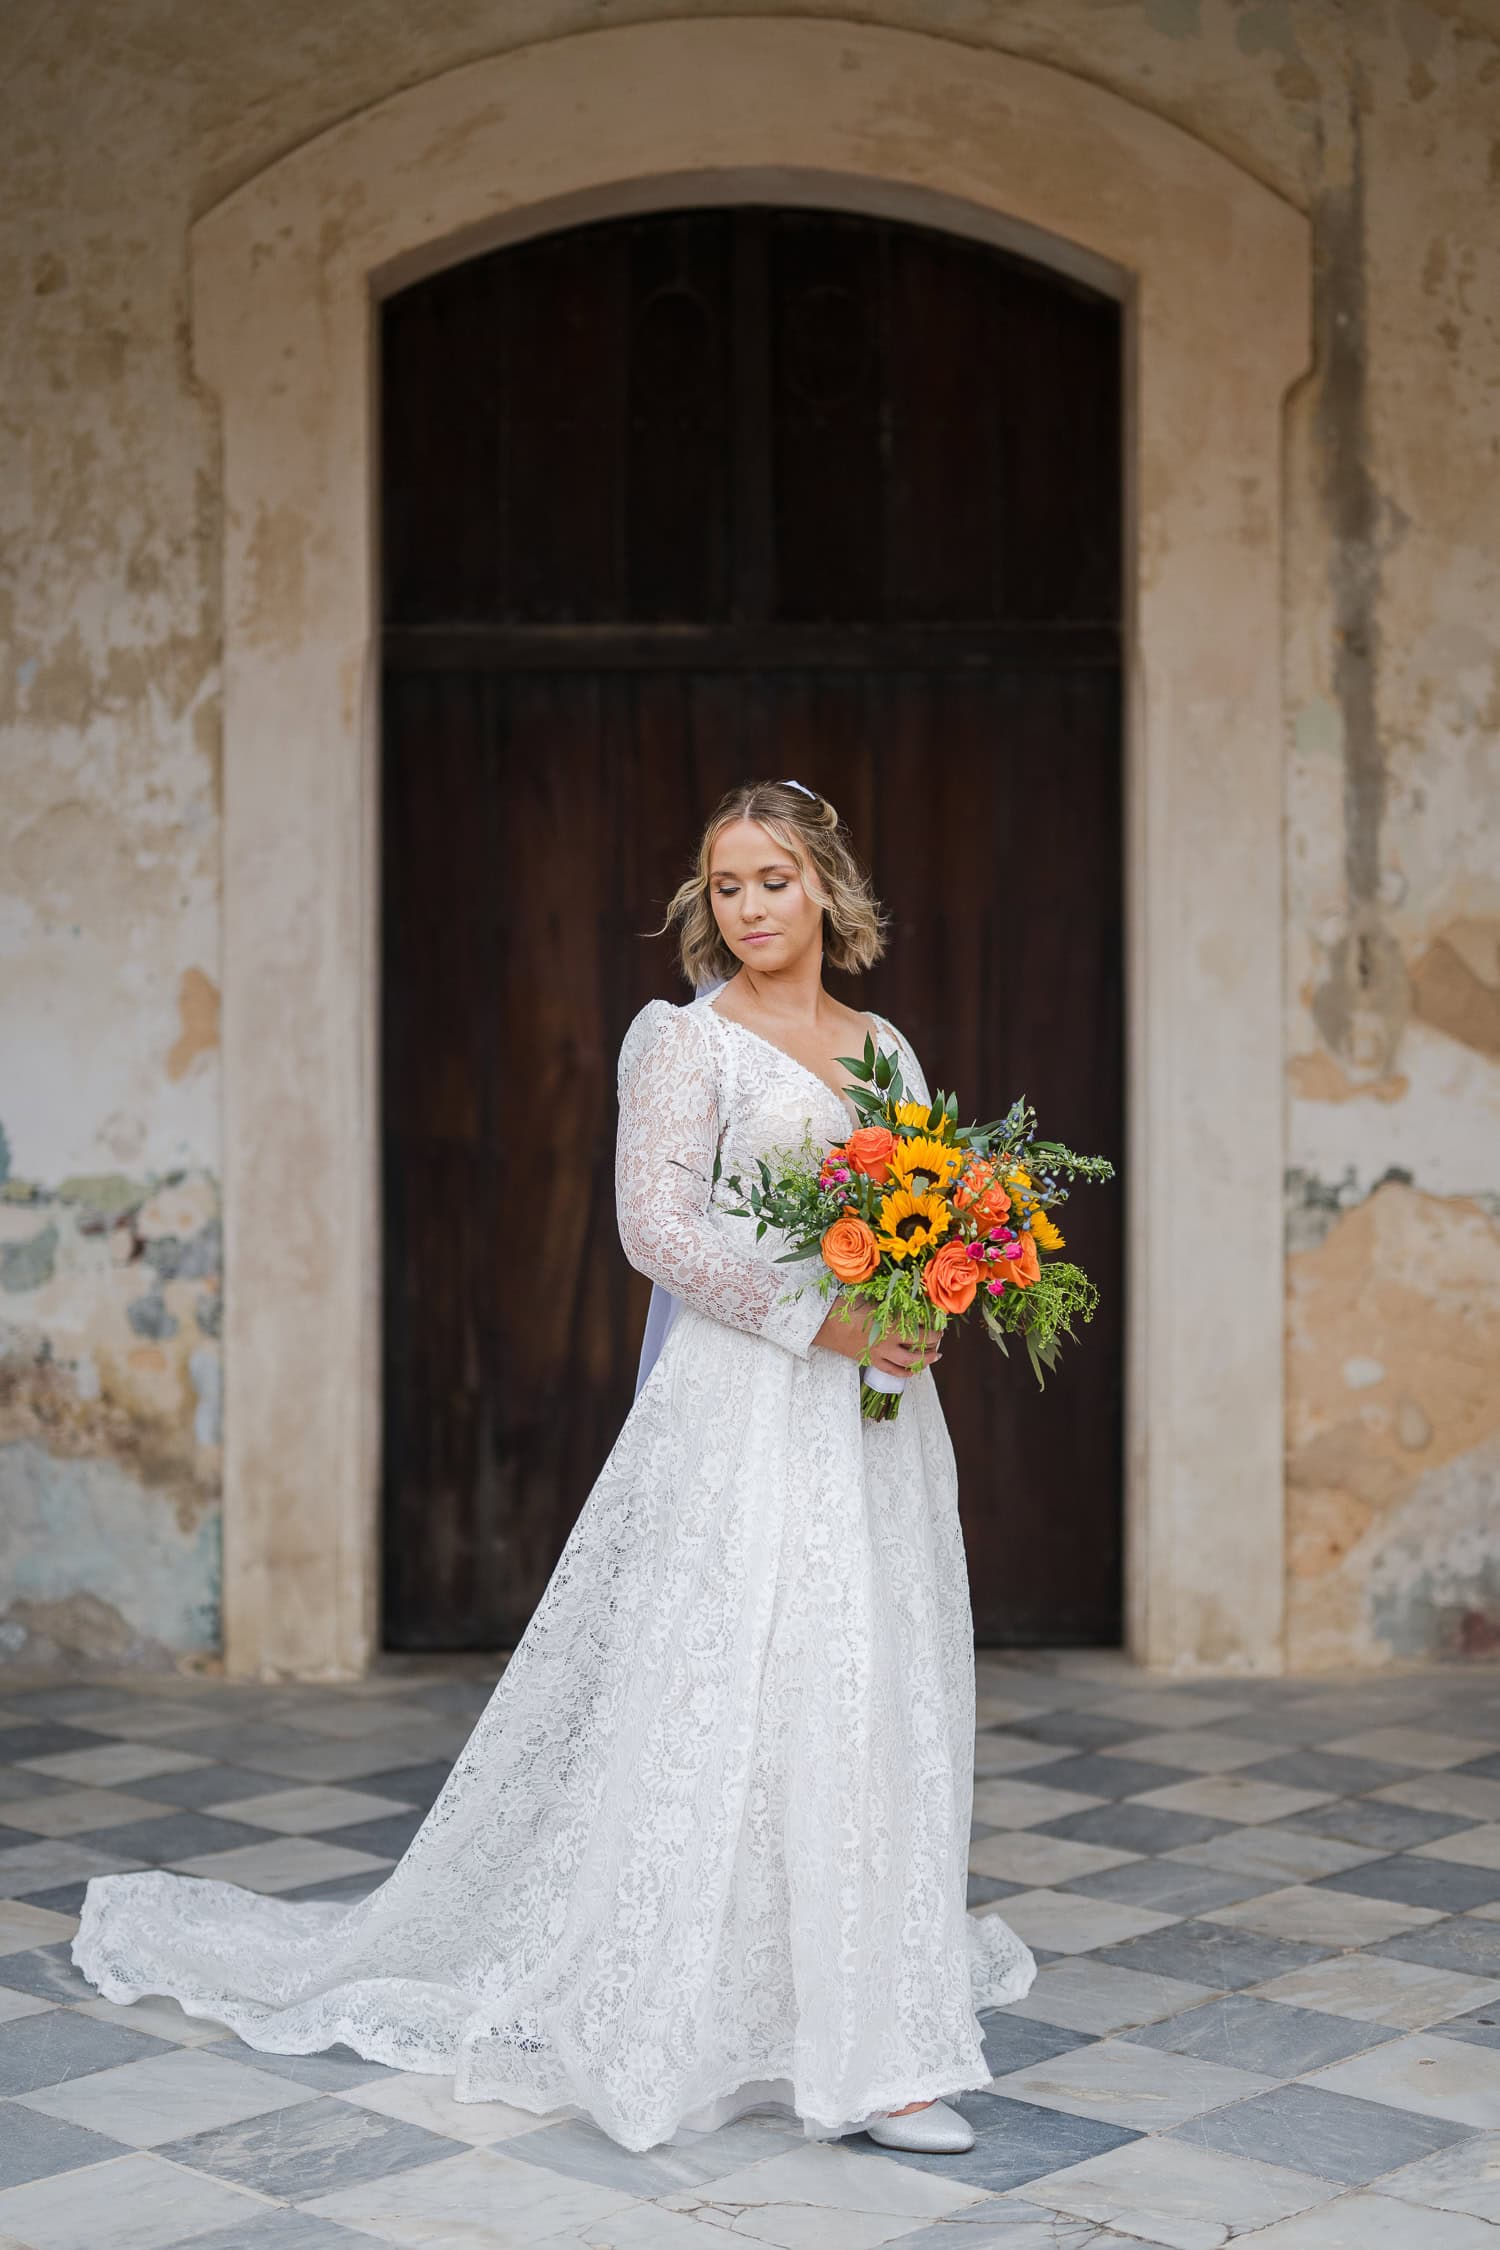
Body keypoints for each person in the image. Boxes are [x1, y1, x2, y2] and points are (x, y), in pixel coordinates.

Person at [71, 778, 1035, 2156]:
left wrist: (931, 1295)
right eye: (726, 886)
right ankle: (713, 2011)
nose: (749, 906)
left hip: (871, 1422)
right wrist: (822, 1315)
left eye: (773, 878)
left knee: (866, 1684)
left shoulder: (885, 1044)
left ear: (825, 882)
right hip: (747, 1405)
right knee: (733, 1681)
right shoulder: (686, 1043)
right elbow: (658, 1229)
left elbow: (929, 1203)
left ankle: (868, 2032)